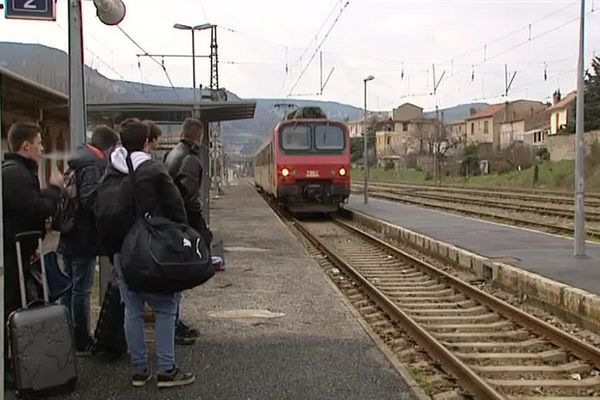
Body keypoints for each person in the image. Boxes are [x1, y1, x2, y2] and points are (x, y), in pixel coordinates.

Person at [99, 118, 195, 388]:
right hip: (153, 249)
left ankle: (139, 371)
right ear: (145, 142)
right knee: (166, 307)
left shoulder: (111, 170)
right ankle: (167, 370)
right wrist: (182, 238)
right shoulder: (152, 169)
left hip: (122, 250)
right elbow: (177, 208)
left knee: (132, 309)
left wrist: (113, 253)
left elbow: (102, 213)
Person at [2, 122, 63, 385]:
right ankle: (9, 367)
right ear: (25, 145)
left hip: (22, 251)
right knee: (12, 305)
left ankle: (19, 361)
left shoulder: (20, 171)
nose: (42, 147)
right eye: (39, 142)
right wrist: (54, 190)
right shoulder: (14, 173)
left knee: (19, 303)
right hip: (13, 252)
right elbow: (34, 209)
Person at [57, 125, 119, 354]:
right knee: (81, 290)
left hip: (69, 233)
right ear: (109, 147)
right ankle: (81, 338)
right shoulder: (94, 165)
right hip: (83, 236)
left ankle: (67, 334)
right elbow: (90, 199)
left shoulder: (78, 159)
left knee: (68, 288)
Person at [164, 118, 212, 345]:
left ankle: (174, 323)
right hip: (177, 226)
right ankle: (173, 327)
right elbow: (190, 200)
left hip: (167, 223)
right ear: (199, 137)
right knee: (175, 281)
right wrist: (201, 229)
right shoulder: (191, 160)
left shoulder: (172, 154)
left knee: (173, 281)